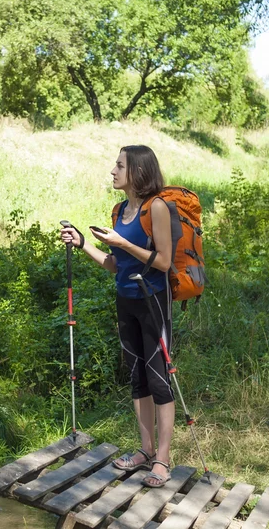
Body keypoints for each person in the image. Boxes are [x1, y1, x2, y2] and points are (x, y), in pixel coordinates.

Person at [60, 144, 174, 488]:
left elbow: (164, 262)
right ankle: (144, 450)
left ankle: (163, 460)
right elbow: (115, 265)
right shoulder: (119, 210)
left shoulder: (158, 208)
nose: (113, 170)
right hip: (125, 300)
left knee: (158, 380)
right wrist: (83, 243)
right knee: (137, 377)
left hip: (153, 300)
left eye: (119, 165)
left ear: (137, 172)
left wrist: (122, 243)